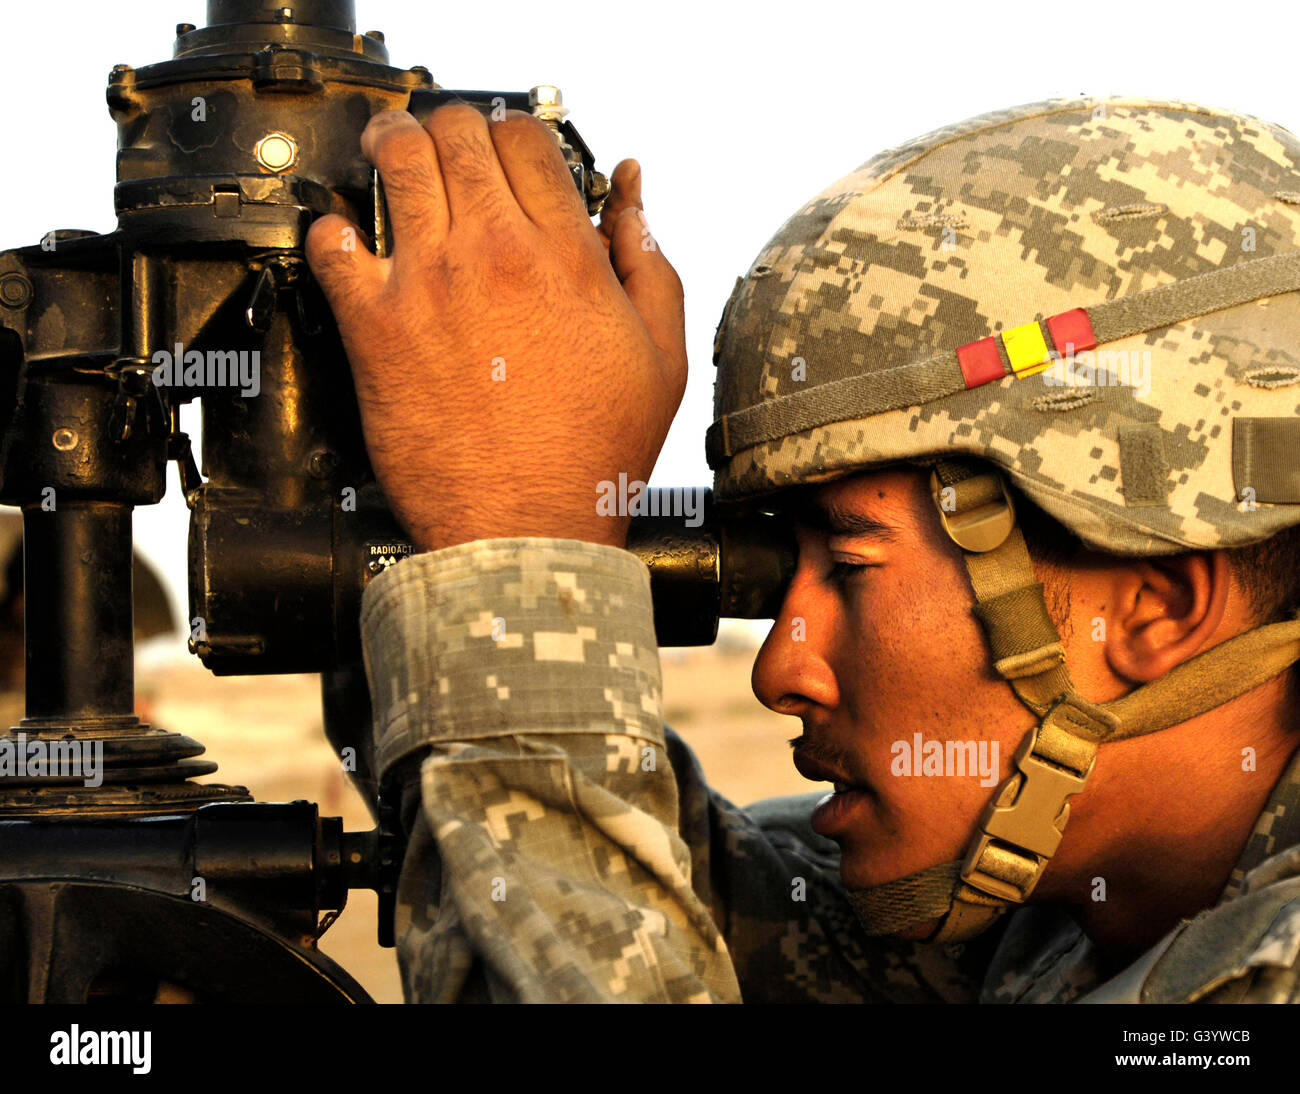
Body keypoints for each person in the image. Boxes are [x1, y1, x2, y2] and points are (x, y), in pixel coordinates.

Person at [304, 96, 1300, 1003]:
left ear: (1157, 604)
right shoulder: (1055, 914)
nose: (780, 669)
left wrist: (517, 562)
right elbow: (693, 926)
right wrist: (423, 501)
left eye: (852, 565)